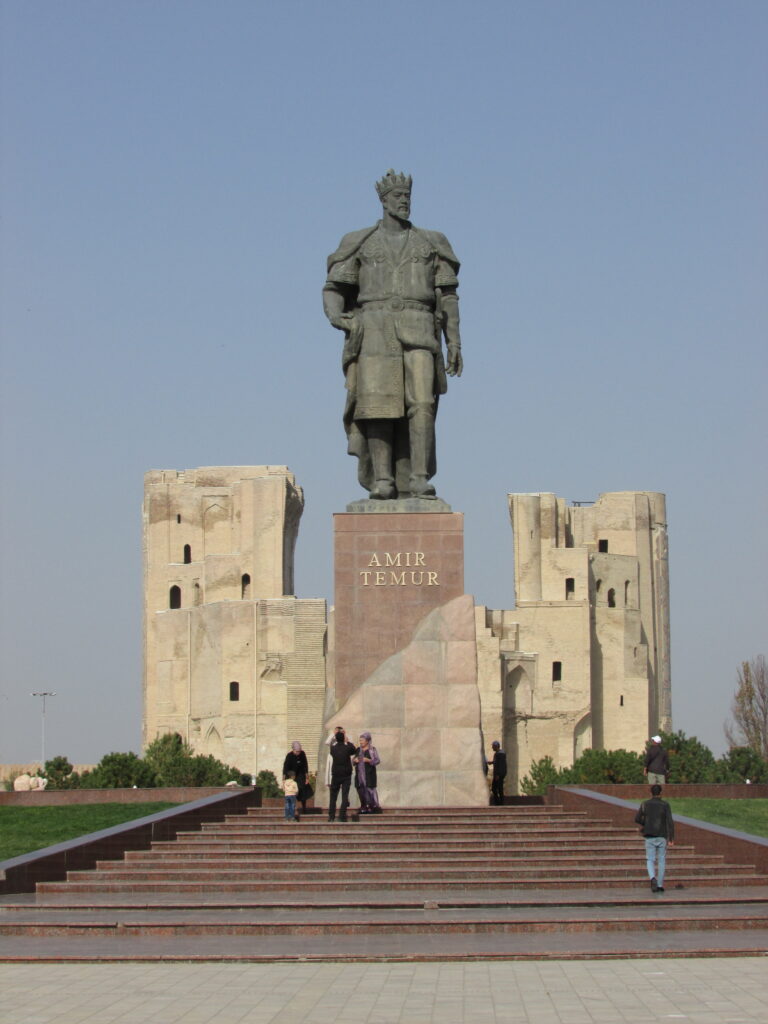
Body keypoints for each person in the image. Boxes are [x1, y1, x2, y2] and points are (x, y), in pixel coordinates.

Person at [323, 169, 462, 500]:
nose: (404, 202)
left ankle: (418, 477)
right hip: (373, 329)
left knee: (423, 403)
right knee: (376, 406)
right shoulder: (360, 241)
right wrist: (337, 315)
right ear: (383, 201)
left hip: (420, 326)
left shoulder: (432, 242)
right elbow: (334, 287)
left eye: (407, 197)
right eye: (398, 197)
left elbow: (448, 296)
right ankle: (382, 479)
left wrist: (453, 340)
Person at [635, 783, 675, 892]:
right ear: (661, 793)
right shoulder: (665, 805)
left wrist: (646, 823)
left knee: (650, 859)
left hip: (649, 835)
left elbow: (637, 818)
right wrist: (671, 838)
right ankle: (660, 885)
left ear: (651, 793)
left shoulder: (645, 804)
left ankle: (652, 877)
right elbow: (670, 822)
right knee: (661, 860)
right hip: (662, 835)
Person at [327, 726, 356, 823]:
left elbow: (331, 745)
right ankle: (341, 815)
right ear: (343, 738)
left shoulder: (333, 749)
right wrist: (347, 741)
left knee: (333, 796)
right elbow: (354, 750)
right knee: (344, 795)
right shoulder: (347, 747)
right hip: (346, 774)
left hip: (335, 774)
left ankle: (331, 816)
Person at [353, 731, 382, 814]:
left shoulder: (372, 750)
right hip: (359, 775)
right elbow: (353, 760)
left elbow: (377, 760)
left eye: (362, 740)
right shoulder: (358, 750)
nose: (360, 742)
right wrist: (355, 760)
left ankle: (373, 806)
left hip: (369, 774)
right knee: (361, 790)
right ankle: (364, 806)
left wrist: (369, 760)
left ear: (367, 741)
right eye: (360, 740)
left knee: (370, 789)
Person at [283, 740, 310, 813]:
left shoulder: (302, 754)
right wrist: (284, 779)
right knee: (292, 791)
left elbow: (305, 765)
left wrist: (307, 777)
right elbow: (285, 767)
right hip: (292, 775)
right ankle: (292, 809)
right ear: (293, 750)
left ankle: (304, 807)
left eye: (299, 751)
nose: (298, 753)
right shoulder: (289, 756)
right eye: (297, 751)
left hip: (301, 774)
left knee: (302, 790)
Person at [487, 740, 507, 806]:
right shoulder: (497, 754)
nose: (492, 748)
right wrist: (492, 762)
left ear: (496, 746)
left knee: (498, 788)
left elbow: (501, 765)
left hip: (499, 775)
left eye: (493, 746)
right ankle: (499, 802)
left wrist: (498, 775)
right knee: (496, 788)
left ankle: (500, 803)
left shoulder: (500, 754)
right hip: (497, 774)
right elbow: (497, 762)